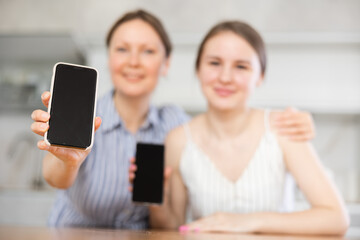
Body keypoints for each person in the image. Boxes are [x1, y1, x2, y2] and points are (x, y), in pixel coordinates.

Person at [31, 9, 315, 229]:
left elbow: (220, 127)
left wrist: (294, 121)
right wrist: (67, 161)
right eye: (122, 49)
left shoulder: (177, 126)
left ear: (166, 63)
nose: (133, 61)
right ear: (108, 59)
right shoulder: (85, 114)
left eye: (148, 51)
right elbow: (56, 179)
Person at [133, 21, 349, 235]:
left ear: (260, 76)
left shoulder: (284, 127)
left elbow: (336, 217)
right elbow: (171, 227)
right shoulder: (178, 140)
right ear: (198, 69)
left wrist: (250, 221)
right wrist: (154, 199)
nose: (225, 78)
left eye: (241, 66)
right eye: (214, 63)